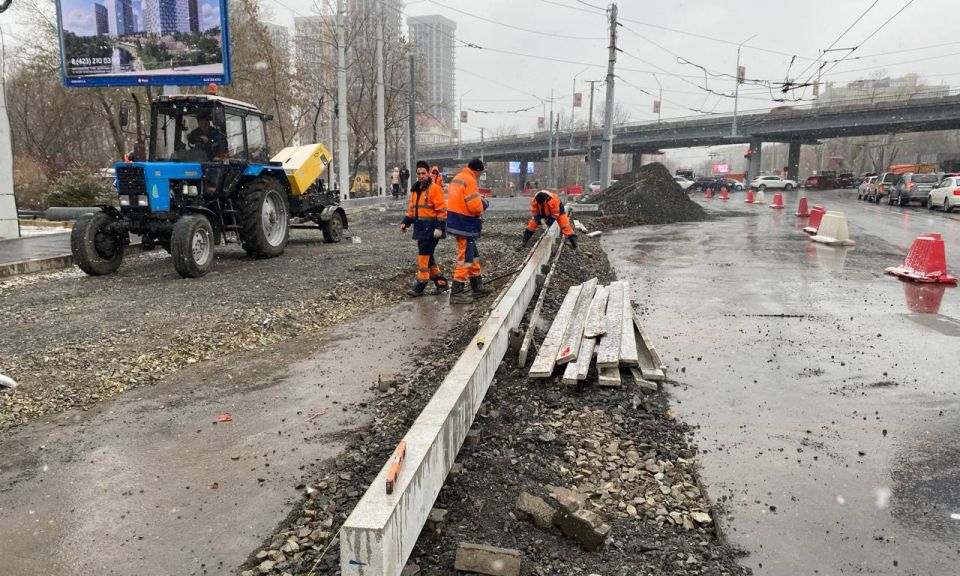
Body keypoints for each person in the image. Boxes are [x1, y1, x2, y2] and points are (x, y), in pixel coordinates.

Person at [400, 161, 449, 296]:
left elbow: (442, 211)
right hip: (421, 228)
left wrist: (439, 228)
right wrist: (405, 222)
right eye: (419, 173)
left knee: (423, 256)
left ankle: (421, 284)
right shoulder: (416, 190)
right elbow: (412, 209)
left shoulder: (435, 189)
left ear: (428, 174)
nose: (421, 176)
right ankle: (441, 283)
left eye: (423, 173)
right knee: (429, 258)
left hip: (432, 230)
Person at [446, 158, 490, 304]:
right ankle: (456, 292)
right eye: (480, 174)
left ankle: (477, 286)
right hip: (465, 224)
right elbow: (475, 207)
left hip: (456, 221)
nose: (479, 177)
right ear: (477, 170)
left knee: (473, 256)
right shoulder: (470, 180)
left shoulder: (458, 177)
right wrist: (484, 203)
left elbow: (460, 200)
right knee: (465, 259)